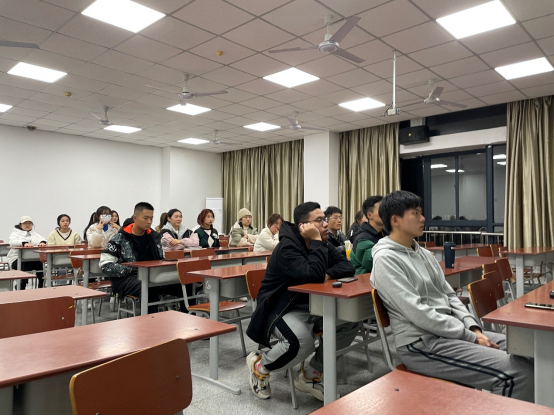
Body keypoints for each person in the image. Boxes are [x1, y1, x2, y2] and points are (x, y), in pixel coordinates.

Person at [370, 191, 534, 402]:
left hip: (449, 333)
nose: (423, 218)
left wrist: (473, 328)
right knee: (519, 374)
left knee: (530, 351)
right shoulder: (385, 260)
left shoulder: (424, 254)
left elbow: (449, 294)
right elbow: (418, 312)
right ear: (396, 220)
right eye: (416, 213)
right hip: (421, 343)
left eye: (421, 212)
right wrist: (470, 337)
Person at [246, 202, 358, 402]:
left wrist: (326, 273)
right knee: (300, 342)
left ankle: (311, 374)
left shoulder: (322, 243)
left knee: (349, 322)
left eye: (325, 219)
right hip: (281, 308)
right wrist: (316, 243)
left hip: (311, 305)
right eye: (319, 220)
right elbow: (313, 275)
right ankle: (260, 365)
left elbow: (347, 267)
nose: (325, 224)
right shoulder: (287, 248)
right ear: (303, 226)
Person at [100, 202, 186, 314]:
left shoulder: (154, 237)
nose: (149, 221)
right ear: (135, 218)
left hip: (152, 275)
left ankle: (187, 317)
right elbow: (105, 265)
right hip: (127, 278)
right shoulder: (119, 238)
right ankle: (150, 321)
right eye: (146, 218)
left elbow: (161, 258)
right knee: (149, 287)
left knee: (184, 283)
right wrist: (131, 269)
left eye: (151, 218)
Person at [7, 216, 47, 290]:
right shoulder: (15, 234)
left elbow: (42, 239)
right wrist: (23, 243)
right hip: (16, 259)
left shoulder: (34, 234)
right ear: (20, 225)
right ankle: (22, 285)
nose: (27, 225)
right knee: (27, 263)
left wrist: (42, 242)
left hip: (31, 259)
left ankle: (41, 284)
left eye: (29, 223)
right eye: (25, 223)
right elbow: (12, 242)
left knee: (40, 262)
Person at [350, 196, 385, 275]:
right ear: (369, 215)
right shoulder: (363, 238)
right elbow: (377, 264)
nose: (386, 213)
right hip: (364, 279)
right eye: (381, 210)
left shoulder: (384, 233)